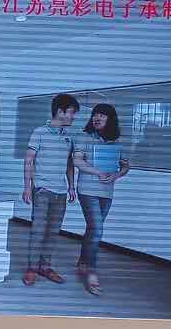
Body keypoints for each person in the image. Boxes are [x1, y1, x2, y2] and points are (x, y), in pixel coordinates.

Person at [71, 103, 130, 296]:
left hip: (107, 191)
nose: (97, 118)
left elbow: (125, 165)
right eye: (95, 114)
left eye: (102, 115)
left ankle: (82, 261)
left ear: (110, 119)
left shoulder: (116, 141)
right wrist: (98, 172)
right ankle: (91, 273)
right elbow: (77, 160)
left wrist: (117, 175)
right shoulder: (84, 136)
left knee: (93, 229)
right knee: (97, 229)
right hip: (87, 189)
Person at [22, 94, 78, 285]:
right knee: (38, 230)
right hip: (42, 190)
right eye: (71, 112)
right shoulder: (39, 132)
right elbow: (29, 160)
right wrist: (27, 187)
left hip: (60, 192)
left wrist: (71, 187)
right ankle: (31, 268)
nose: (73, 117)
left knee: (53, 231)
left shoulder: (68, 137)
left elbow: (70, 164)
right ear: (60, 111)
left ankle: (45, 267)